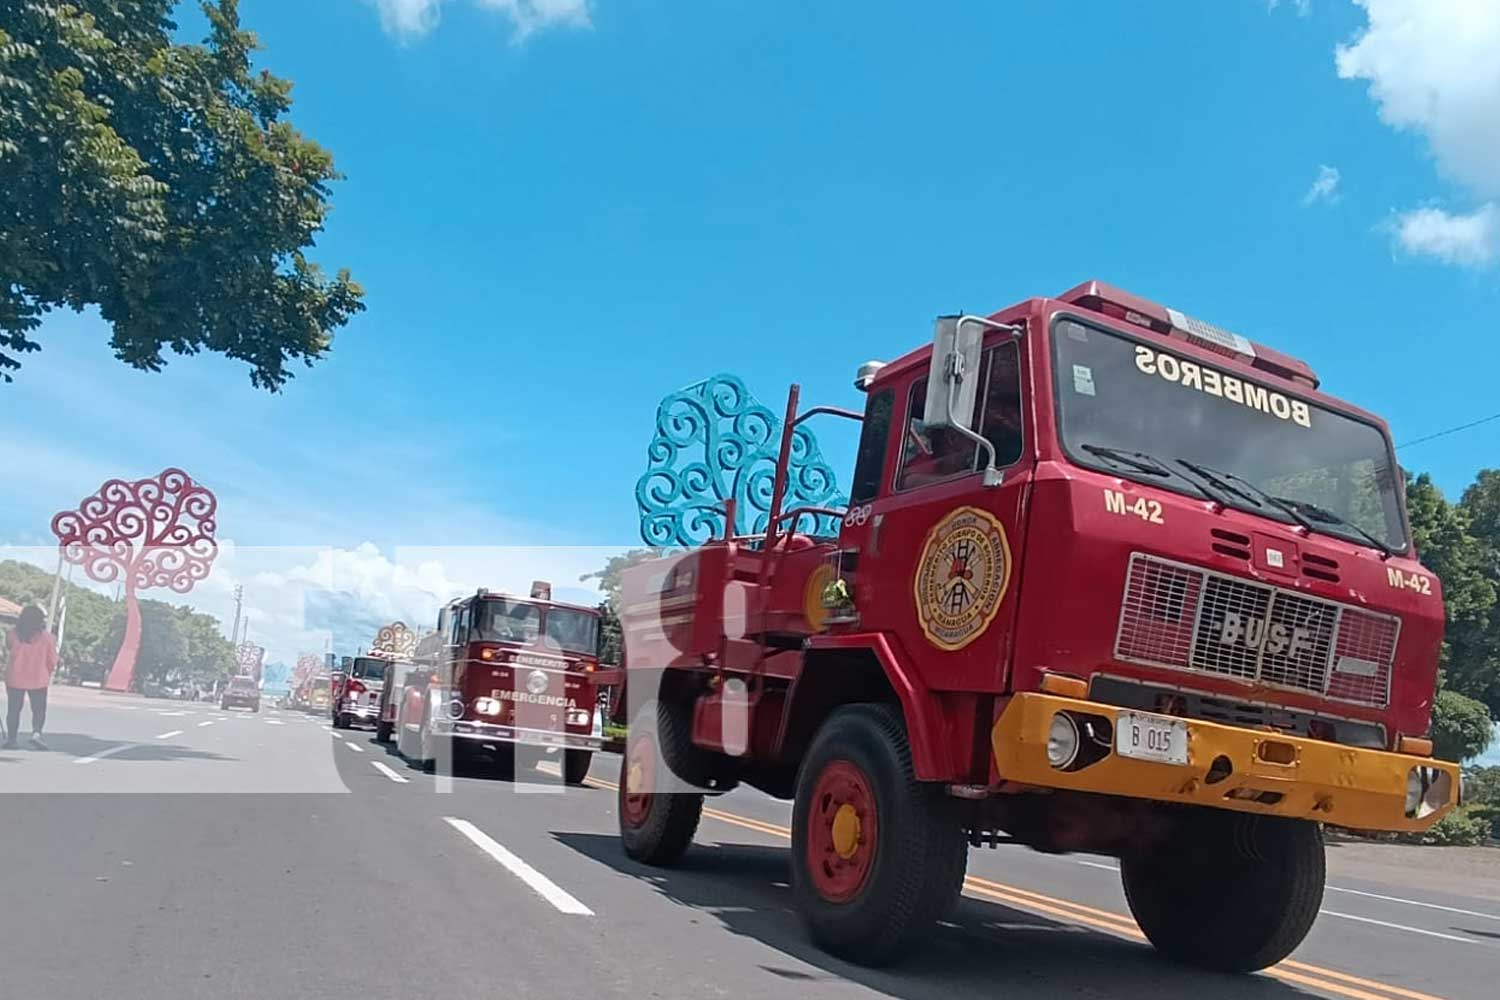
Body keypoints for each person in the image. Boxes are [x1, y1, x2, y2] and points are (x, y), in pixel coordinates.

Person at [4, 605, 57, 750]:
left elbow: (9, 648)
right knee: (39, 709)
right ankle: (36, 733)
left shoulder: (12, 634)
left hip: (15, 676)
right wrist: (50, 671)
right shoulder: (47, 638)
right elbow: (52, 659)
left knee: (14, 709)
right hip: (38, 677)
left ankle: (12, 738)